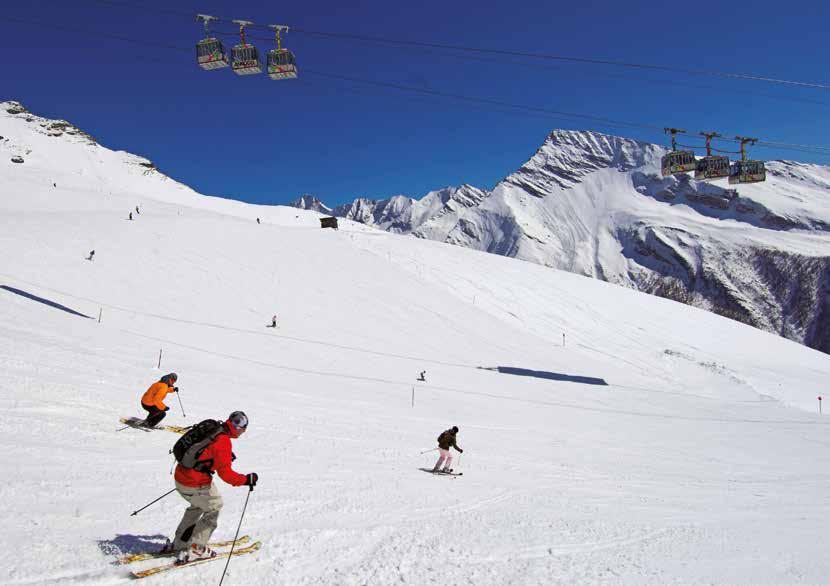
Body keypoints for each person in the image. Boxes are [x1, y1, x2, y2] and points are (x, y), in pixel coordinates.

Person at [171, 411, 258, 563]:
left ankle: (180, 543)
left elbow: (205, 451)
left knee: (198, 506)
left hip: (181, 476)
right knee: (214, 506)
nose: (243, 432)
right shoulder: (223, 441)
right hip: (194, 482)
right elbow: (227, 475)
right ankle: (196, 549)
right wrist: (246, 480)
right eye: (243, 428)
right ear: (239, 428)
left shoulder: (215, 428)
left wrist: (220, 458)